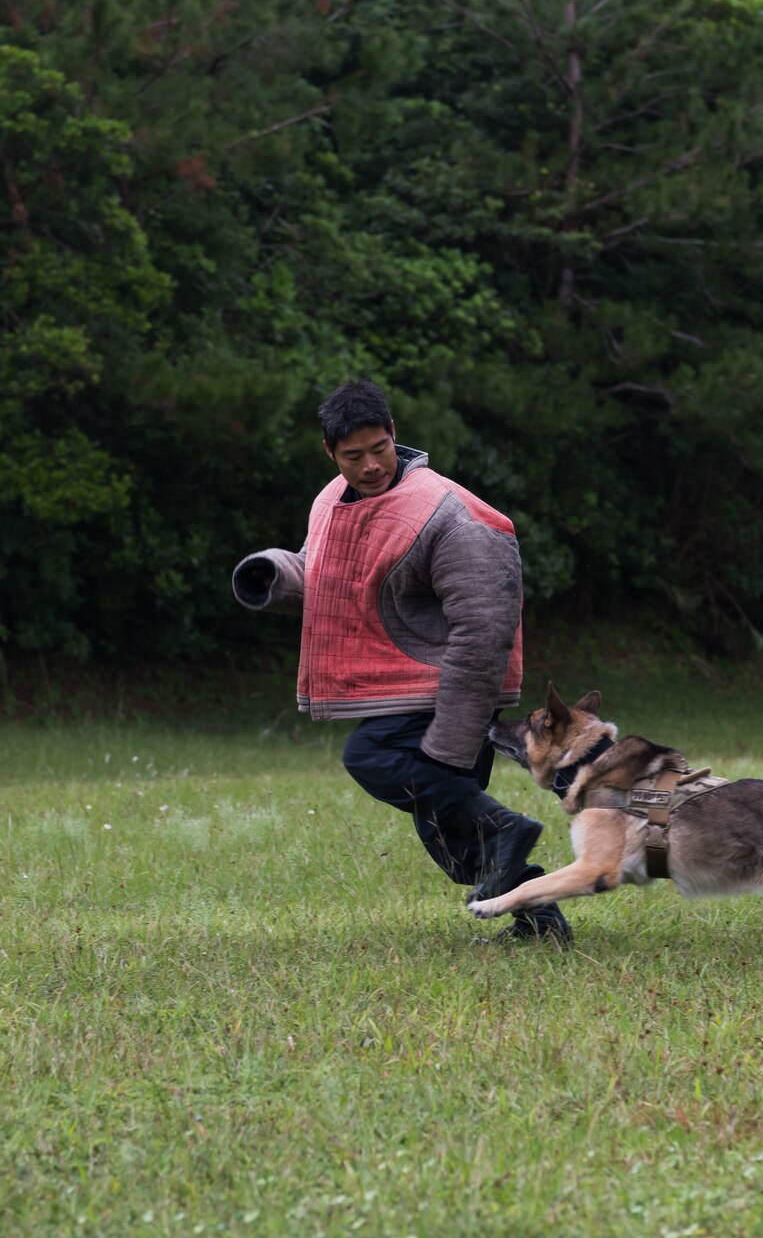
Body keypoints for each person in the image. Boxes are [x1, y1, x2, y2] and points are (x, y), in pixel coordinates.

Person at [232, 378, 571, 944]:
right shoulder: (332, 502)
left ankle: (505, 825)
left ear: (395, 434)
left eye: (379, 448)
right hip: (402, 686)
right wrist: (275, 572)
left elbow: (486, 630)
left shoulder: (449, 511)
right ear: (330, 454)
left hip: (448, 690)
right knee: (451, 838)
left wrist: (455, 735)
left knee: (370, 754)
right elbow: (325, 572)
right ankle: (541, 919)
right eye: (352, 455)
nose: (369, 465)